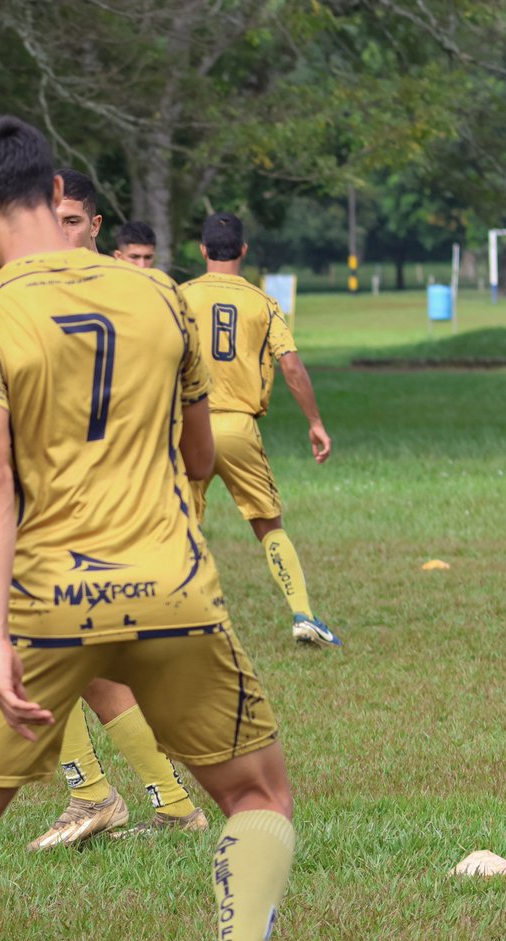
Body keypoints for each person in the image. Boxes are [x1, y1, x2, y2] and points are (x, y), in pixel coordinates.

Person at [0, 116, 338, 941]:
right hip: (174, 592)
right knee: (255, 791)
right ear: (57, 188)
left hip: (46, 605)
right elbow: (198, 454)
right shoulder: (158, 294)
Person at [26, 168, 205, 853]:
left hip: (113, 510)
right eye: (49, 220)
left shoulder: (133, 298)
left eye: (71, 220)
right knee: (81, 666)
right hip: (64, 510)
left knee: (26, 649)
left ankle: (97, 794)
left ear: (96, 226)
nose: (59, 233)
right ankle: (165, 800)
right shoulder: (34, 297)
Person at [181, 213, 341, 647]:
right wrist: (315, 422)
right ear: (243, 250)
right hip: (238, 427)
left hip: (187, 428)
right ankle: (303, 614)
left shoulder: (179, 297)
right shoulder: (263, 303)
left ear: (203, 250)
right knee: (269, 525)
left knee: (181, 529)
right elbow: (290, 366)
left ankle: (180, 625)